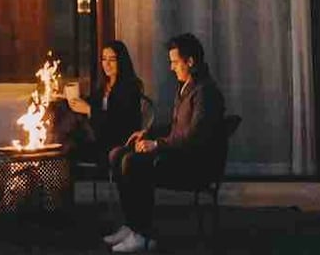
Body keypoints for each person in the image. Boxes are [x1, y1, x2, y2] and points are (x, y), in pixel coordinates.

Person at [104, 33, 226, 253]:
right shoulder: (187, 87)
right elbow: (175, 127)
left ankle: (143, 234)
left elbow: (193, 136)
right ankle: (132, 225)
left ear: (190, 62)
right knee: (117, 154)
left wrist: (157, 145)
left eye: (175, 62)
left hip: (194, 164)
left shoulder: (205, 92)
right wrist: (147, 133)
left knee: (133, 163)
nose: (171, 68)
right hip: (179, 154)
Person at [64, 40, 144, 163]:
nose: (107, 64)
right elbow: (93, 104)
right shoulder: (103, 86)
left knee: (70, 150)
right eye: (104, 59)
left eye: (112, 60)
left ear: (121, 61)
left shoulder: (130, 87)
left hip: (118, 140)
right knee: (65, 142)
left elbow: (118, 120)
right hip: (98, 137)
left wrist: (89, 110)